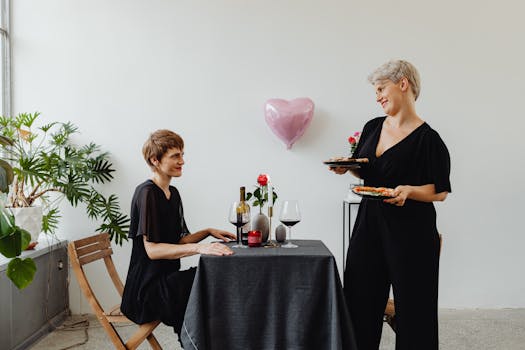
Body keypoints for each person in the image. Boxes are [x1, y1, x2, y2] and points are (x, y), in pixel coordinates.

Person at [330, 60, 451, 349]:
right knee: (359, 299)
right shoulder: (372, 127)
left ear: (403, 84)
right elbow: (369, 169)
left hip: (412, 232)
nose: (377, 96)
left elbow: (441, 191)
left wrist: (409, 190)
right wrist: (348, 167)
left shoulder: (429, 139)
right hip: (369, 225)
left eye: (381, 88)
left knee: (414, 311)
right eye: (376, 91)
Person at [121, 129, 235, 344]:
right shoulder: (147, 193)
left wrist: (208, 232)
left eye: (182, 155)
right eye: (175, 156)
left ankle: (205, 341)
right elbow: (153, 251)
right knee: (205, 281)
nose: (182, 161)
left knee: (208, 278)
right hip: (146, 291)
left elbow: (180, 241)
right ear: (155, 160)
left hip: (166, 282)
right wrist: (200, 248)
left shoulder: (173, 194)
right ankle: (196, 342)